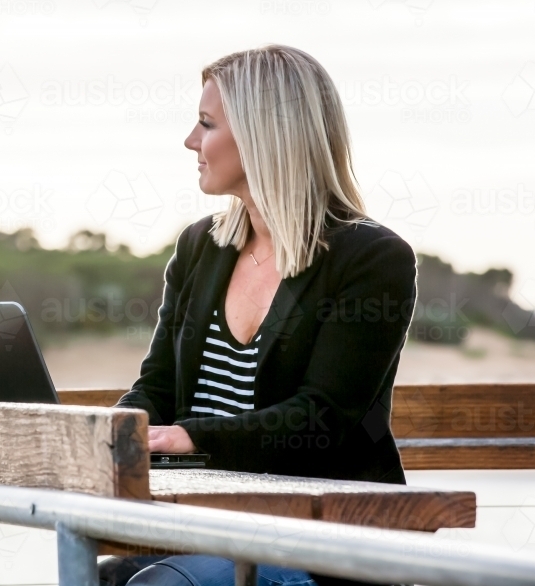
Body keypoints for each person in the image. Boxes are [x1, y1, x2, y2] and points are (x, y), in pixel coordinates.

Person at [100, 45, 417, 586]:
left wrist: (192, 436)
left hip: (320, 543)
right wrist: (120, 427)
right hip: (207, 528)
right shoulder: (201, 247)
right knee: (92, 576)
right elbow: (155, 384)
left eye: (206, 124)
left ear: (262, 135)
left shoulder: (371, 260)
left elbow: (321, 418)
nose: (190, 141)